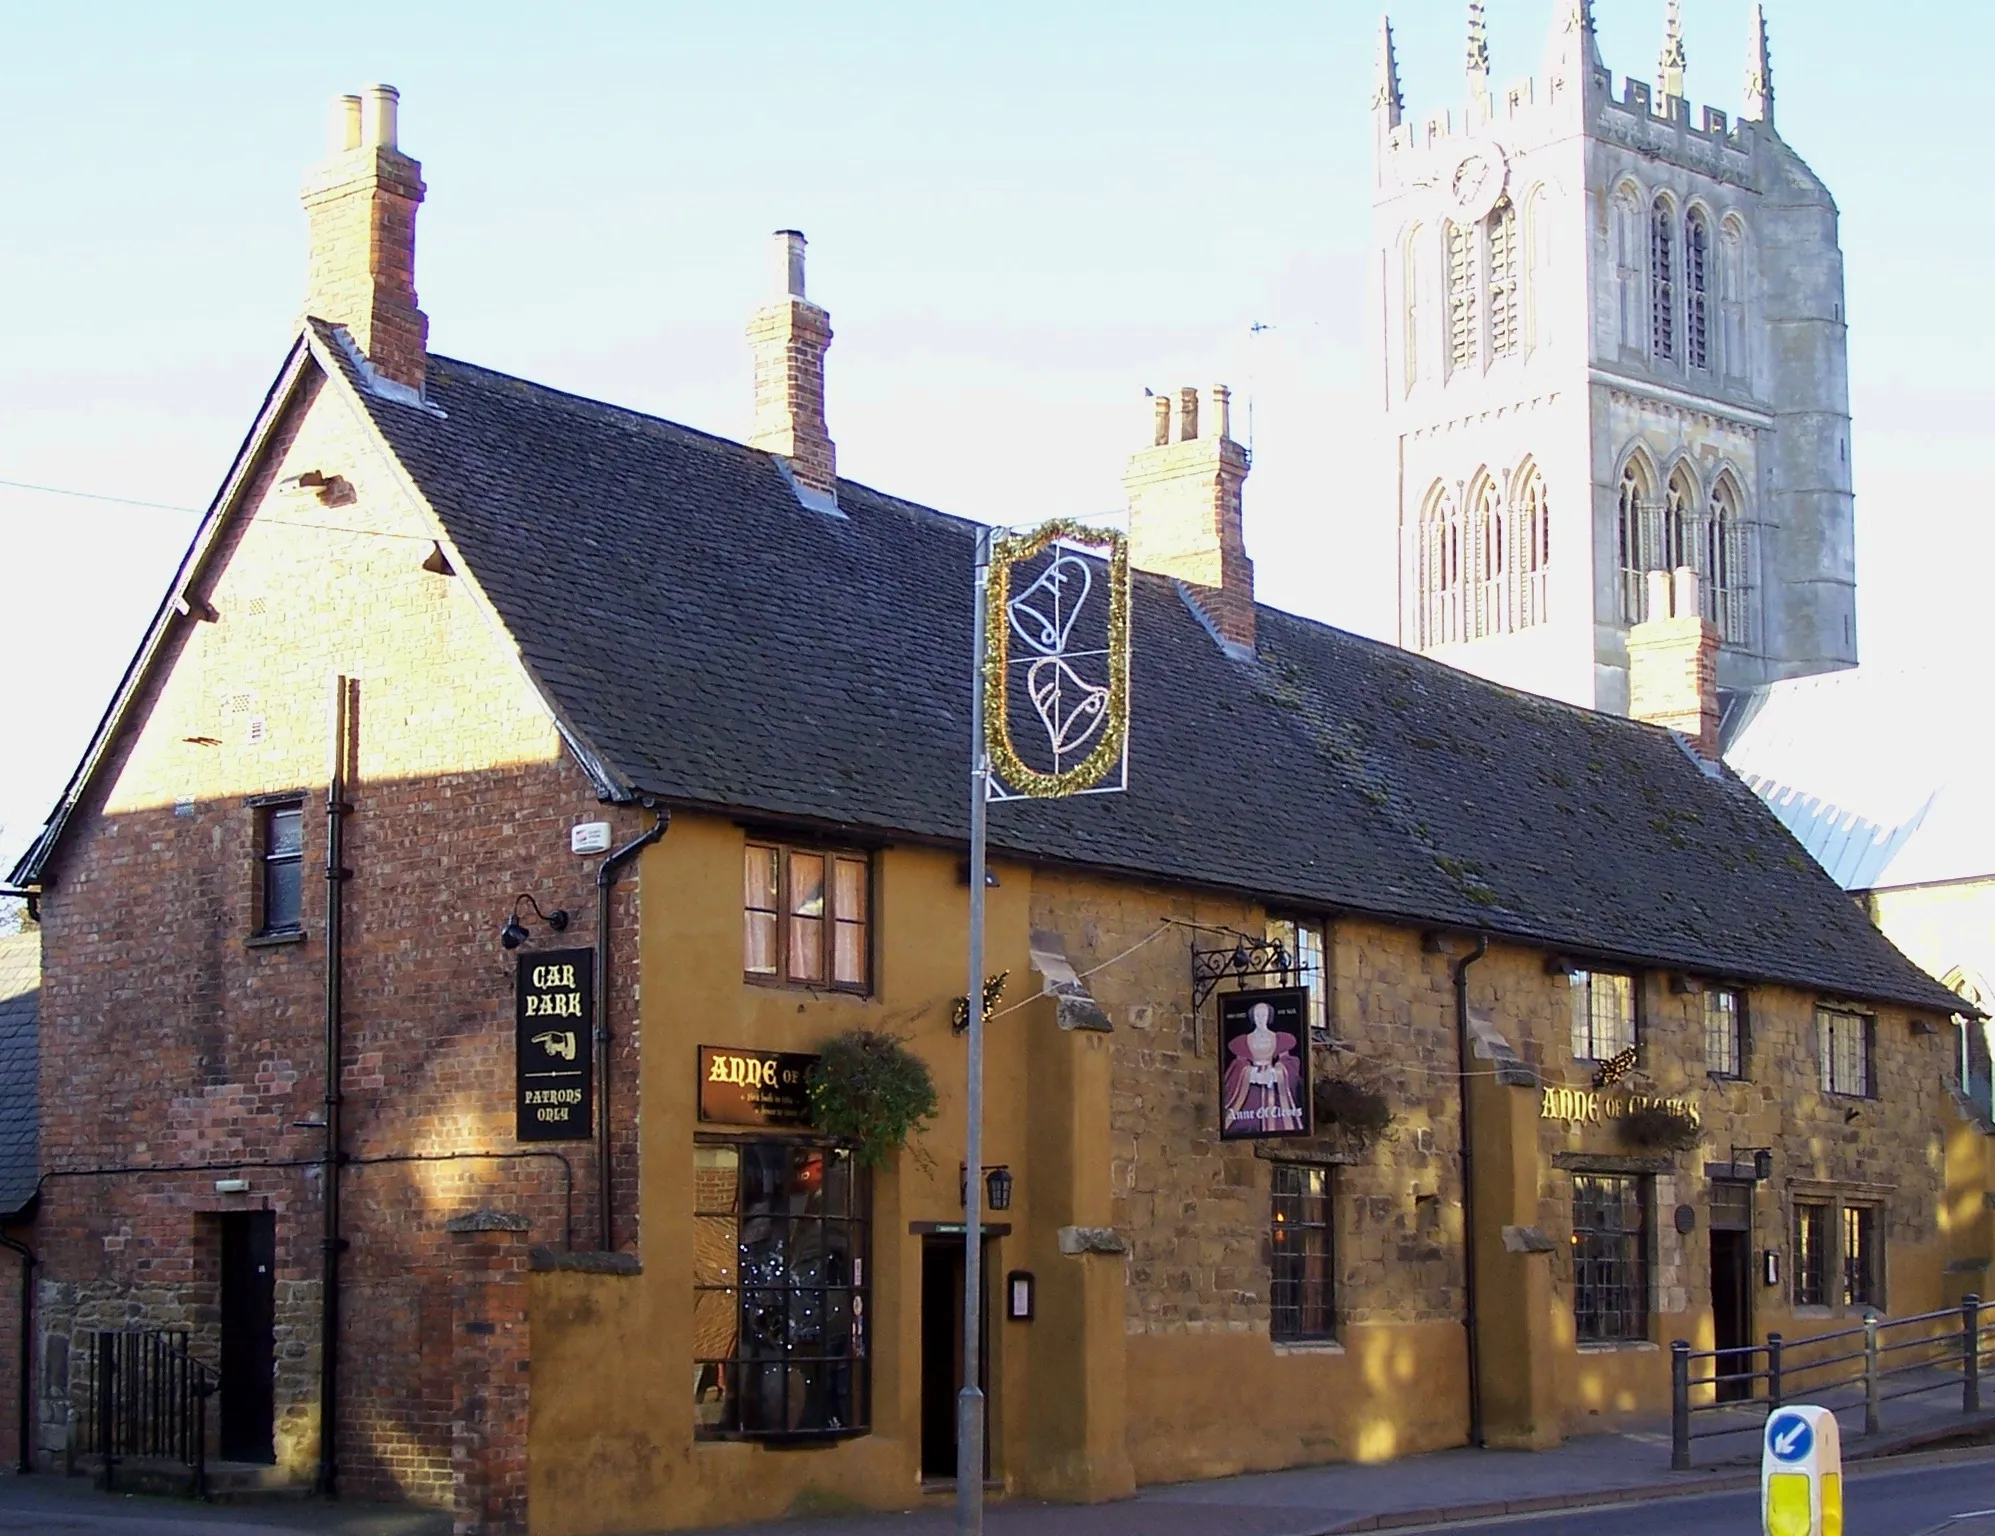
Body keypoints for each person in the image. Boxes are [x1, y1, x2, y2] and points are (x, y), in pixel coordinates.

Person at [1223, 998, 1304, 1134]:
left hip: (1274, 1083)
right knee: (1246, 1121)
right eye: (1257, 1015)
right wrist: (1252, 1074)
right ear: (1253, 1017)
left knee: (1280, 1121)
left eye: (1264, 1015)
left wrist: (1275, 1073)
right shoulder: (1243, 1041)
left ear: (1269, 1016)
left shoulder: (1279, 1038)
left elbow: (1288, 1061)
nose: (1261, 1018)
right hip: (1251, 1086)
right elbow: (1238, 1064)